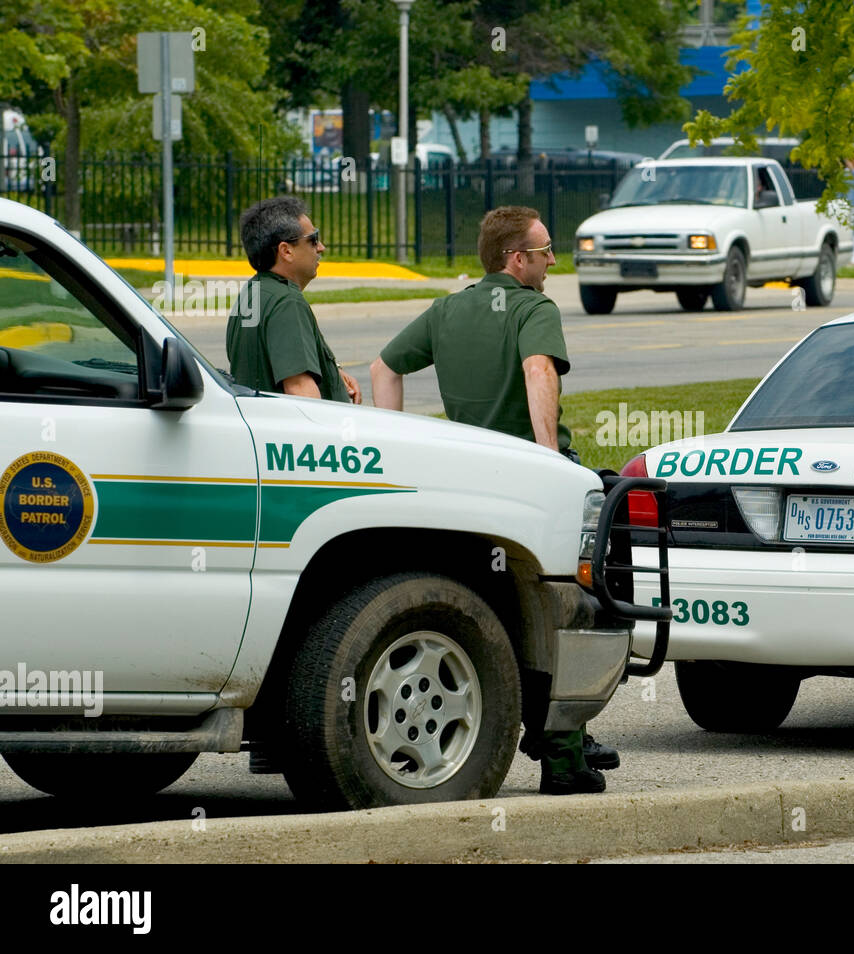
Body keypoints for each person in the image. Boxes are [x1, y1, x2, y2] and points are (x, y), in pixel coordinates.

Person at [369, 206, 617, 796]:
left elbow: (383, 367)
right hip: (528, 486)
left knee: (503, 609)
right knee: (569, 610)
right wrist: (550, 458)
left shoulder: (449, 308)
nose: (553, 261)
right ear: (516, 259)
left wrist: (392, 443)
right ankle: (563, 756)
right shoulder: (534, 308)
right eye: (545, 251)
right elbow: (538, 372)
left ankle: (571, 743)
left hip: (465, 480)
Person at [225, 196, 362, 404]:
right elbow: (301, 392)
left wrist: (334, 373)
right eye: (313, 239)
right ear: (286, 251)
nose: (321, 247)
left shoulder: (254, 292)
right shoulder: (287, 303)